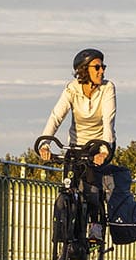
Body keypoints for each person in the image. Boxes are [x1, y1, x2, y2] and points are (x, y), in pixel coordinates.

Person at [38, 47, 126, 199]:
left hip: (99, 144)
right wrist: (45, 144)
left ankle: (95, 221)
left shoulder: (107, 88)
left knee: (92, 189)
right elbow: (56, 117)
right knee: (69, 182)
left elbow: (108, 121)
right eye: (97, 67)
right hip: (76, 145)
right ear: (84, 70)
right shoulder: (72, 90)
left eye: (103, 67)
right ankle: (67, 215)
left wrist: (104, 151)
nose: (102, 71)